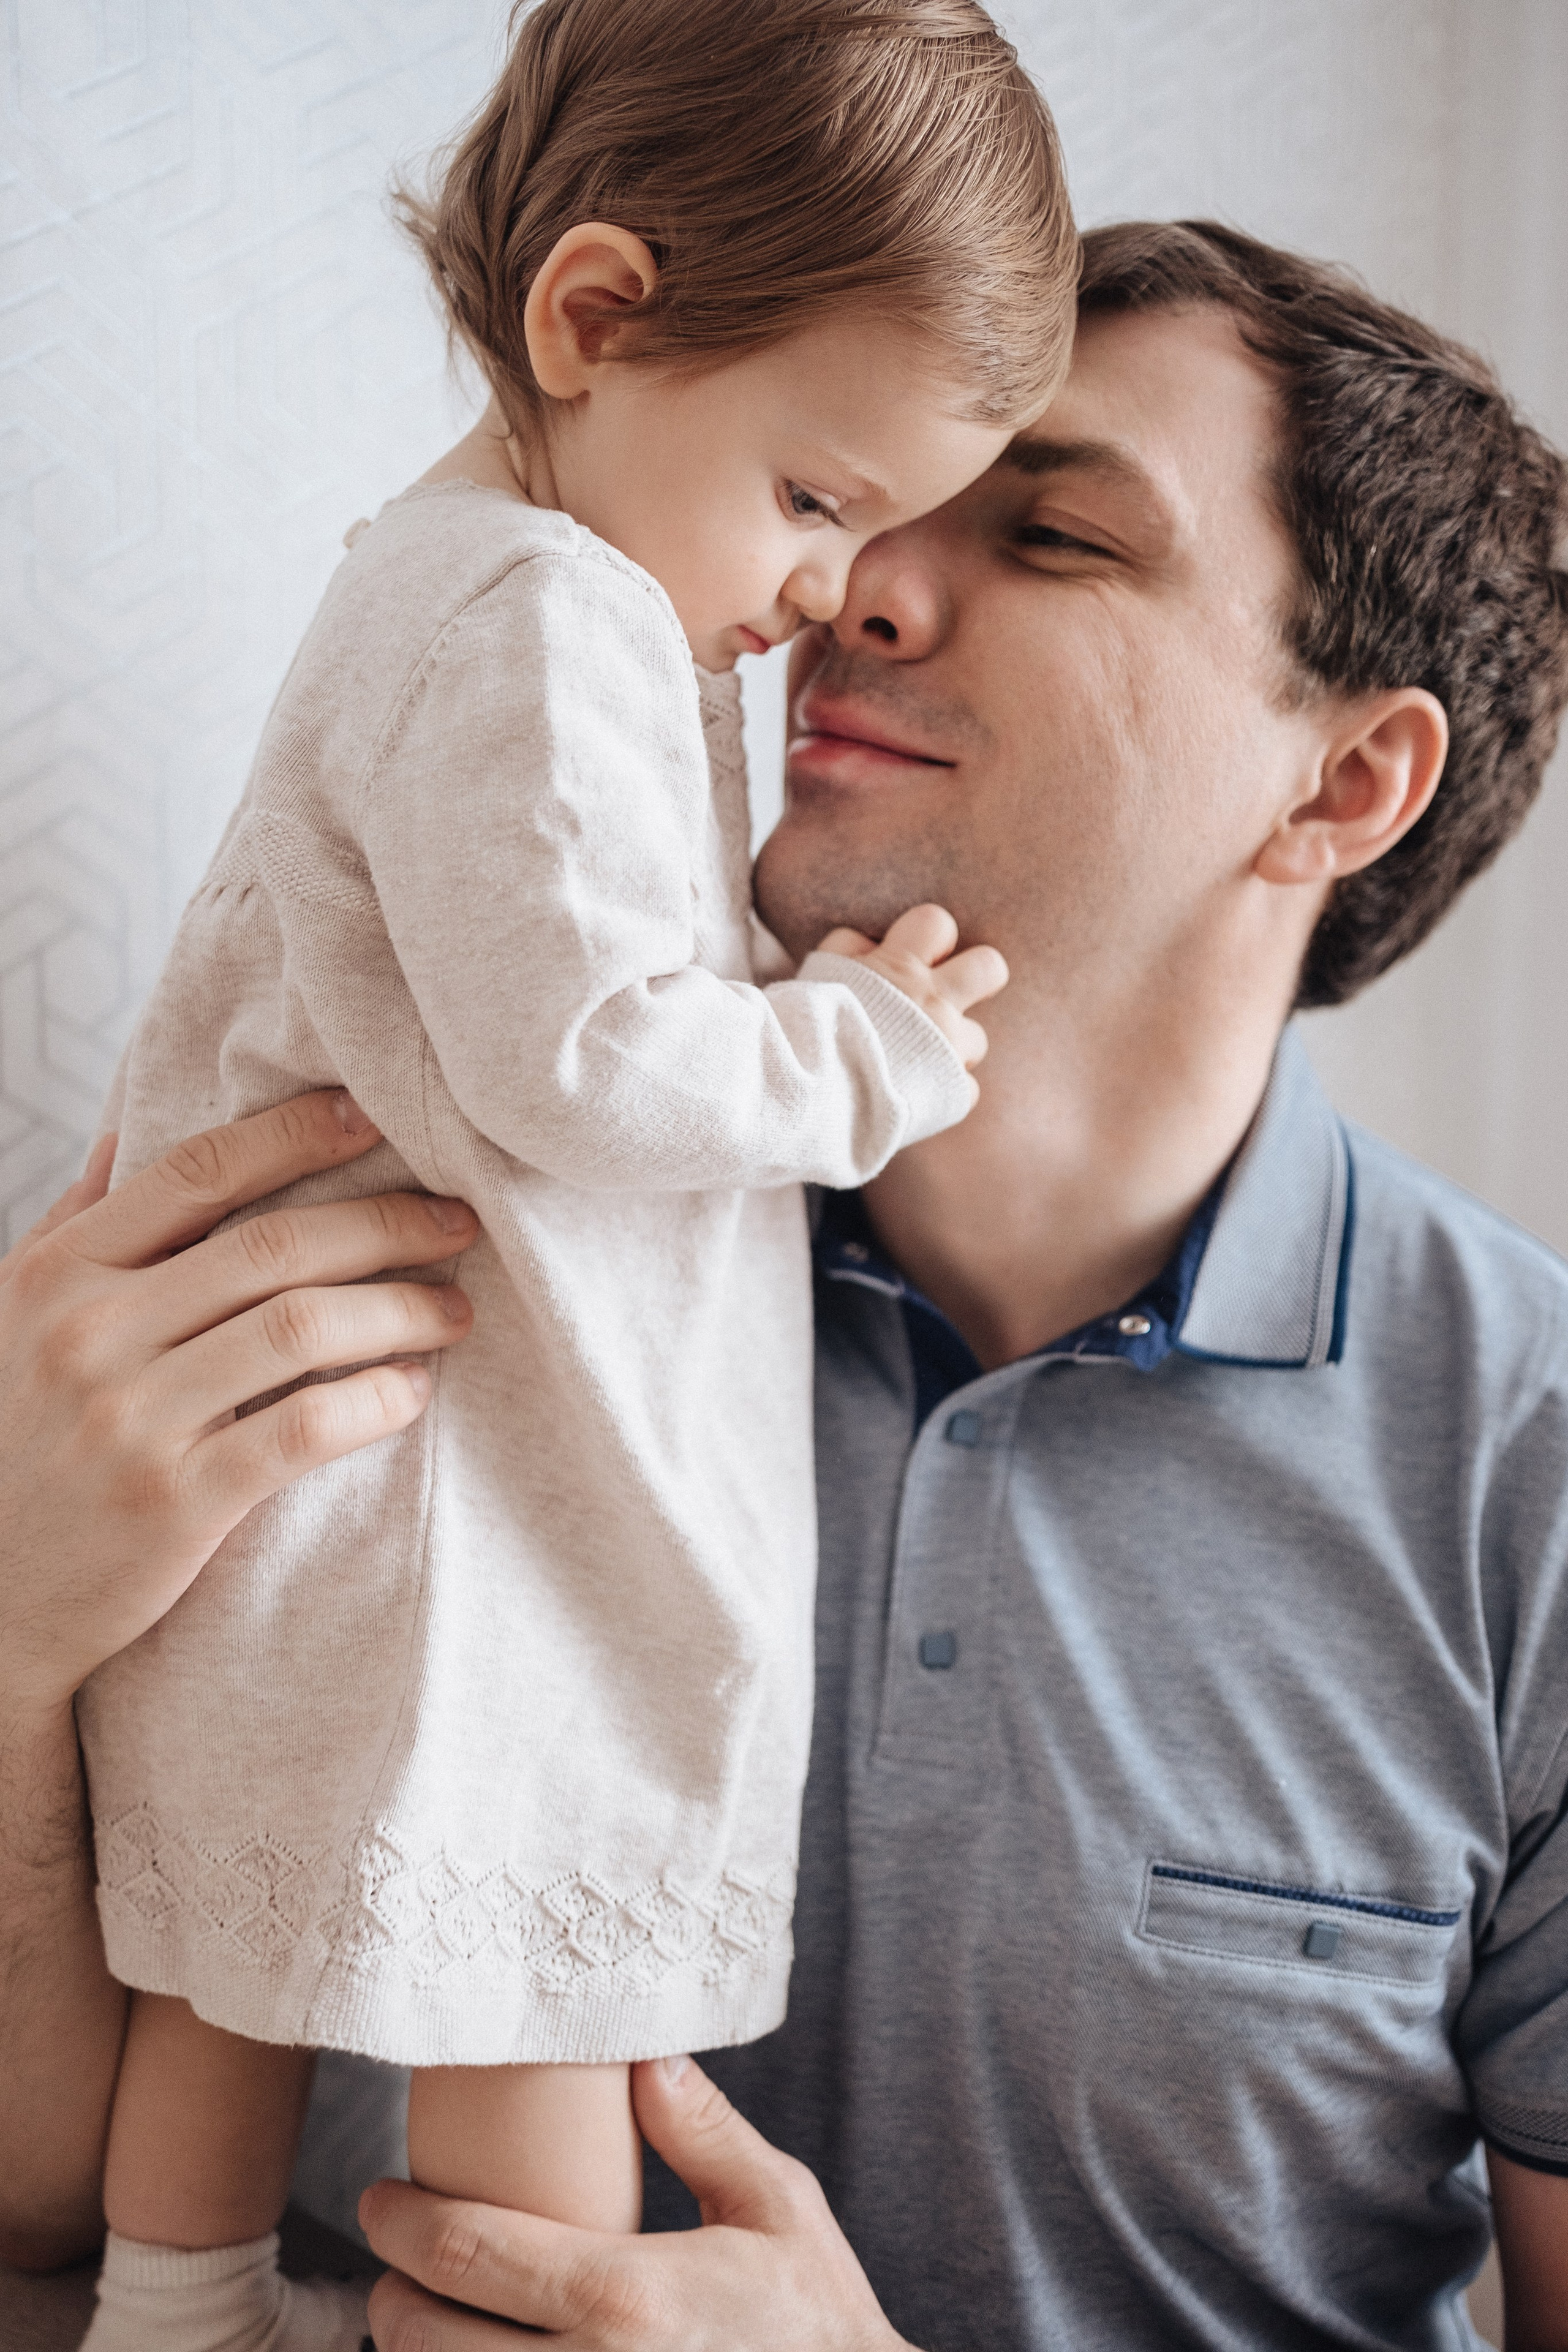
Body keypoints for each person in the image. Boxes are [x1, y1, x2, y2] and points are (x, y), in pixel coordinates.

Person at [6, 217, 1568, 2349]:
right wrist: (11, 1641)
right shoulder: (373, 1207)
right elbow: (33, 2226)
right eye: (860, 501)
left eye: (1062, 538)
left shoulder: (1535, 1487)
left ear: (1347, 780)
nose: (849, 587)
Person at [66, 4, 1066, 2347]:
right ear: (596, 321)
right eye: (820, 502)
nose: (834, 591)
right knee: (520, 1961)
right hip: (454, 1508)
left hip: (359, 1465)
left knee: (241, 1958)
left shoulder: (494, 576)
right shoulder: (537, 615)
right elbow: (588, 1060)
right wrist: (863, 1053)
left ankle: (172, 2307)